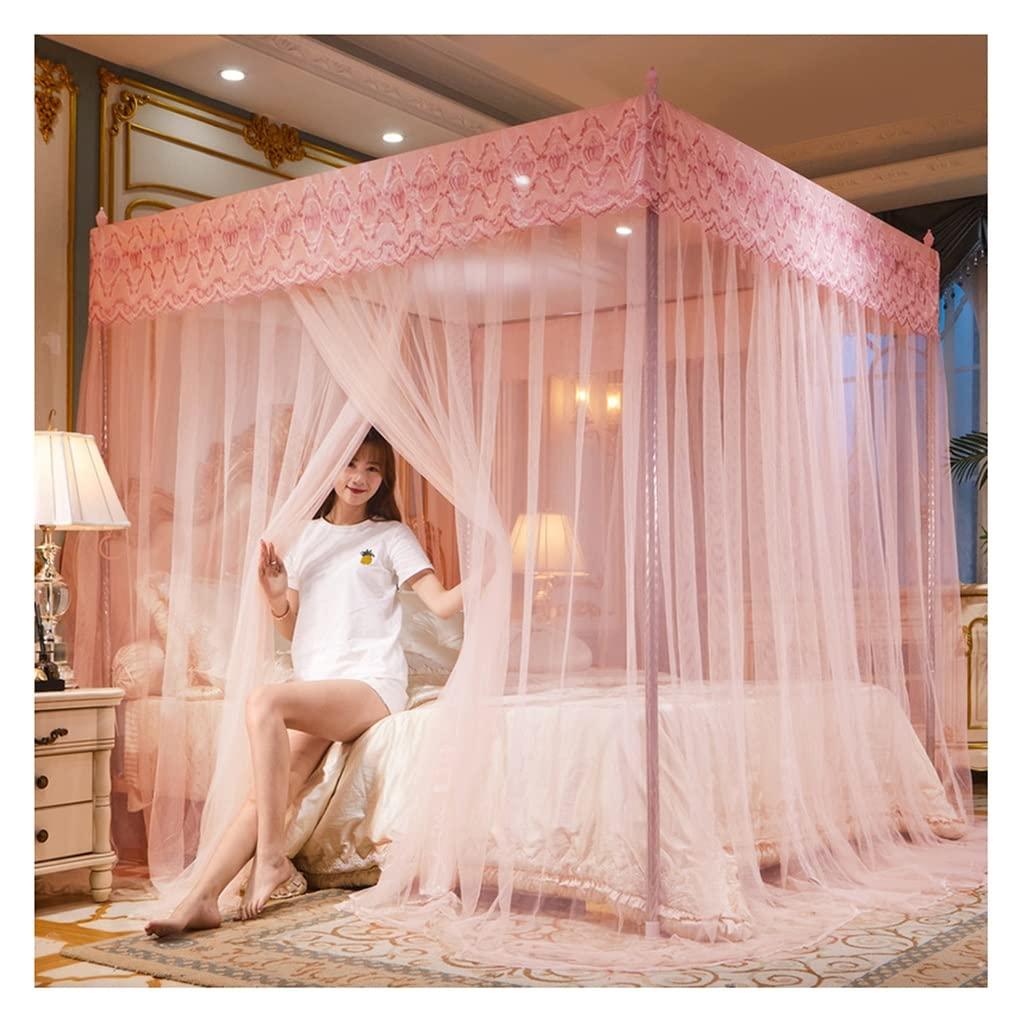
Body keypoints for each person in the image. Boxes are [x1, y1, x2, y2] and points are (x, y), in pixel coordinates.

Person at [145, 428, 462, 936]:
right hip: (319, 687)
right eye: (351, 465)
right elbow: (293, 629)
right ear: (331, 469)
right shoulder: (304, 538)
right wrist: (276, 596)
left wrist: (499, 571)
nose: (359, 477)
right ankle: (201, 900)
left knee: (264, 702)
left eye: (373, 469)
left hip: (371, 684)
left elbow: (442, 604)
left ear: (384, 480)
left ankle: (271, 859)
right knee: (268, 792)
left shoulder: (390, 536)